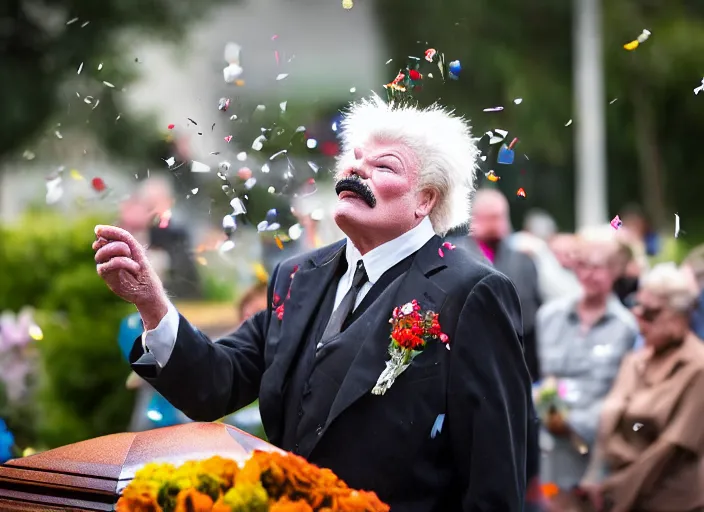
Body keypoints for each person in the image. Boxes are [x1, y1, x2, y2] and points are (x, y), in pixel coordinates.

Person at [94, 95, 533, 511]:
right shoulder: (296, 276)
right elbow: (216, 383)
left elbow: (495, 472)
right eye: (354, 160)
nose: (356, 172)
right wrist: (152, 303)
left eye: (383, 165)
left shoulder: (471, 291)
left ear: (425, 199)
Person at [580, 264, 704, 512]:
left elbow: (668, 452)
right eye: (636, 306)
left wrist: (612, 492)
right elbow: (608, 426)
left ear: (679, 315)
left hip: (668, 501)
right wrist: (593, 480)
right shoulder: (636, 360)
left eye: (650, 312)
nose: (638, 316)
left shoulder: (698, 367)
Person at [536, 226, 637, 501]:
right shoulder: (550, 316)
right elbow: (547, 379)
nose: (588, 274)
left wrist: (574, 427)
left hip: (602, 457)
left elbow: (624, 392)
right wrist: (553, 416)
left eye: (598, 266)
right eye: (582, 264)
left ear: (616, 270)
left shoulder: (627, 326)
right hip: (554, 452)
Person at [459, 188, 543, 382]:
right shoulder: (456, 256)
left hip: (517, 354)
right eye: (490, 217)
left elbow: (534, 308)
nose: (496, 224)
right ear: (475, 218)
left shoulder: (524, 260)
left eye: (499, 217)